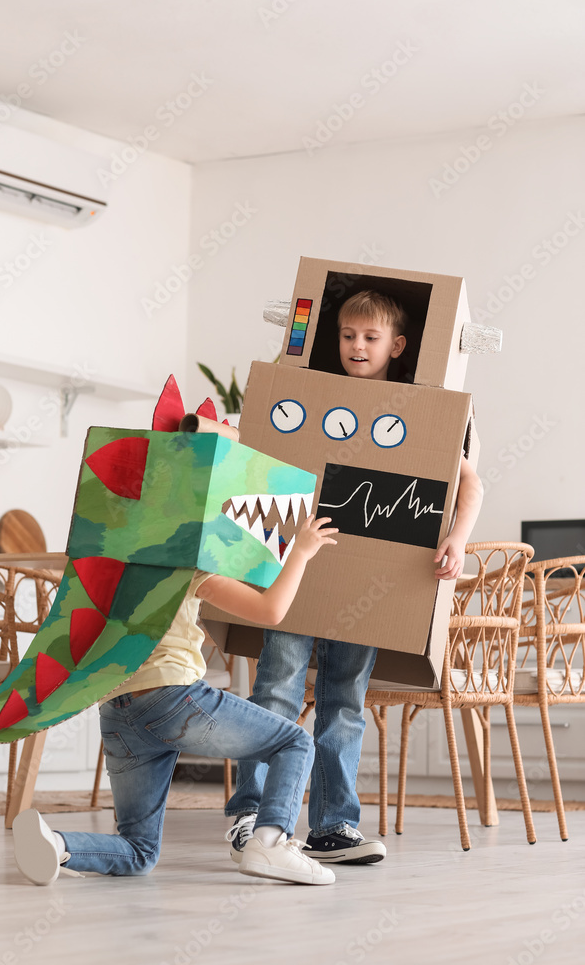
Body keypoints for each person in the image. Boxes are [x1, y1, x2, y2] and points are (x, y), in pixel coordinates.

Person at [225, 289, 484, 864]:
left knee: (344, 701)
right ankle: (253, 814)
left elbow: (471, 484)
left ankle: (332, 826)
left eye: (370, 338)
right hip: (295, 572)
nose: (357, 346)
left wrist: (457, 539)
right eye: (347, 336)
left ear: (398, 345)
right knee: (275, 690)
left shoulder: (425, 412)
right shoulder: (308, 396)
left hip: (366, 583)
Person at [12, 514, 340, 887]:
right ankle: (268, 842)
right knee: (294, 742)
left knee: (139, 851)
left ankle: (55, 845)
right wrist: (301, 551)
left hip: (119, 711)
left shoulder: (107, 567)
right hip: (172, 698)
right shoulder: (184, 563)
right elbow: (271, 611)